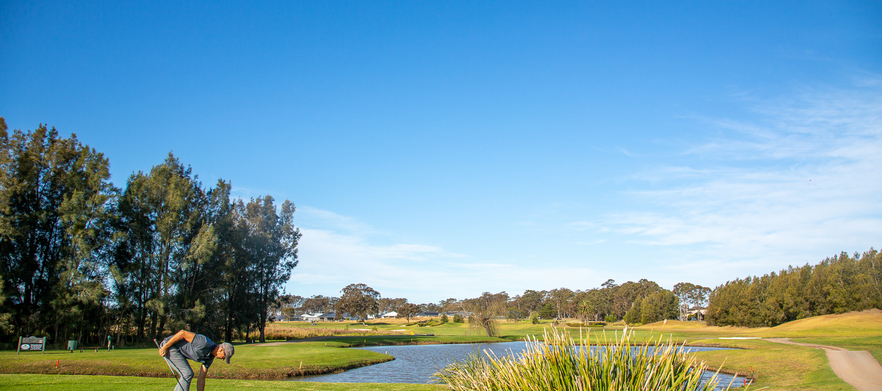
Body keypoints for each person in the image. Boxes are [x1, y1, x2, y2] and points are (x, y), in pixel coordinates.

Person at [158, 330, 234, 391]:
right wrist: (165, 347)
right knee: (187, 373)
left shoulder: (209, 358)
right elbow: (183, 333)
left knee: (187, 373)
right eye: (224, 357)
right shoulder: (204, 342)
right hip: (170, 346)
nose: (222, 360)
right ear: (221, 350)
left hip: (177, 351)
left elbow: (201, 379)